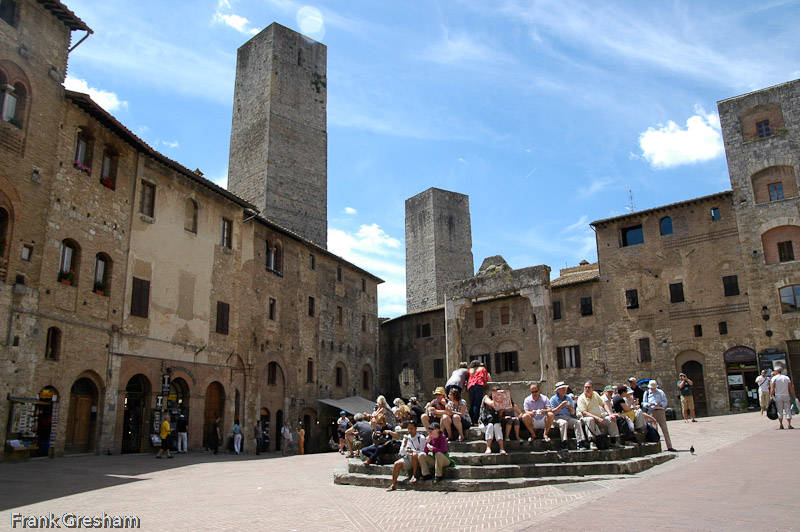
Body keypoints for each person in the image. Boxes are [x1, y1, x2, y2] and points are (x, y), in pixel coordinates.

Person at [577, 381, 622, 449]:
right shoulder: (581, 398)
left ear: (592, 388)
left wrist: (610, 414)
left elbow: (603, 404)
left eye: (589, 387)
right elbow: (584, 413)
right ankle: (591, 441)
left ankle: (613, 440)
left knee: (611, 419)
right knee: (590, 419)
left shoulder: (595, 394)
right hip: (585, 418)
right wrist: (597, 418)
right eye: (585, 387)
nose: (587, 389)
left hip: (599, 417)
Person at [387, 421, 426, 491]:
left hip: (418, 458)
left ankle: (414, 475)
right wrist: (404, 445)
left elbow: (423, 451)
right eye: (408, 429)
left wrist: (413, 451)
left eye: (411, 429)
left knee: (414, 454)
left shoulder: (421, 438)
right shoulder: (406, 438)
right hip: (408, 458)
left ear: (416, 428)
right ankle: (393, 484)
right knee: (396, 464)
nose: (410, 431)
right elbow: (401, 453)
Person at [550, 381, 587, 450]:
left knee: (577, 422)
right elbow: (553, 412)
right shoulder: (553, 399)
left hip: (568, 417)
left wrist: (570, 407)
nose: (565, 390)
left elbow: (573, 413)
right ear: (558, 390)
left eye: (565, 388)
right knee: (563, 423)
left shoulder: (569, 398)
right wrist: (561, 406)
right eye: (563, 388)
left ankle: (580, 442)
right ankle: (564, 442)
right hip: (557, 418)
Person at [643, 380, 676, 451]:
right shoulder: (647, 393)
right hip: (651, 411)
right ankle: (656, 447)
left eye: (653, 388)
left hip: (660, 411)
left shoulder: (660, 392)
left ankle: (669, 446)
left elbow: (665, 402)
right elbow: (644, 402)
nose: (652, 389)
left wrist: (659, 404)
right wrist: (647, 404)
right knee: (654, 430)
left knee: (664, 429)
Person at [481, 388, 506, 455]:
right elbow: (491, 403)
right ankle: (488, 447)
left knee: (496, 425)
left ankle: (502, 448)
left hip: (495, 422)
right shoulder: (486, 398)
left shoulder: (500, 404)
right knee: (490, 425)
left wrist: (501, 412)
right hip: (484, 422)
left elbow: (499, 417)